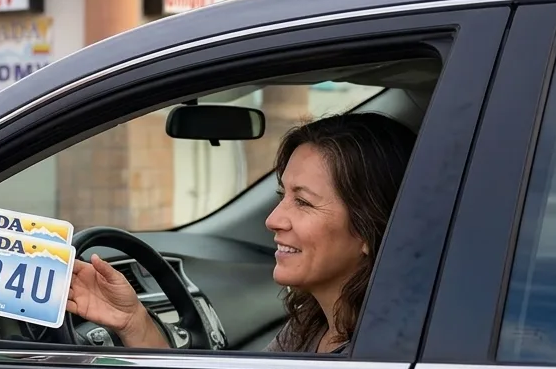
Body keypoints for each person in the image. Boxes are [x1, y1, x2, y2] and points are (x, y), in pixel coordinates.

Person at [65, 112, 417, 354]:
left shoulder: (381, 356)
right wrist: (134, 322)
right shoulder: (312, 326)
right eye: (283, 197)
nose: (273, 219)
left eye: (304, 203)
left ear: (370, 228)